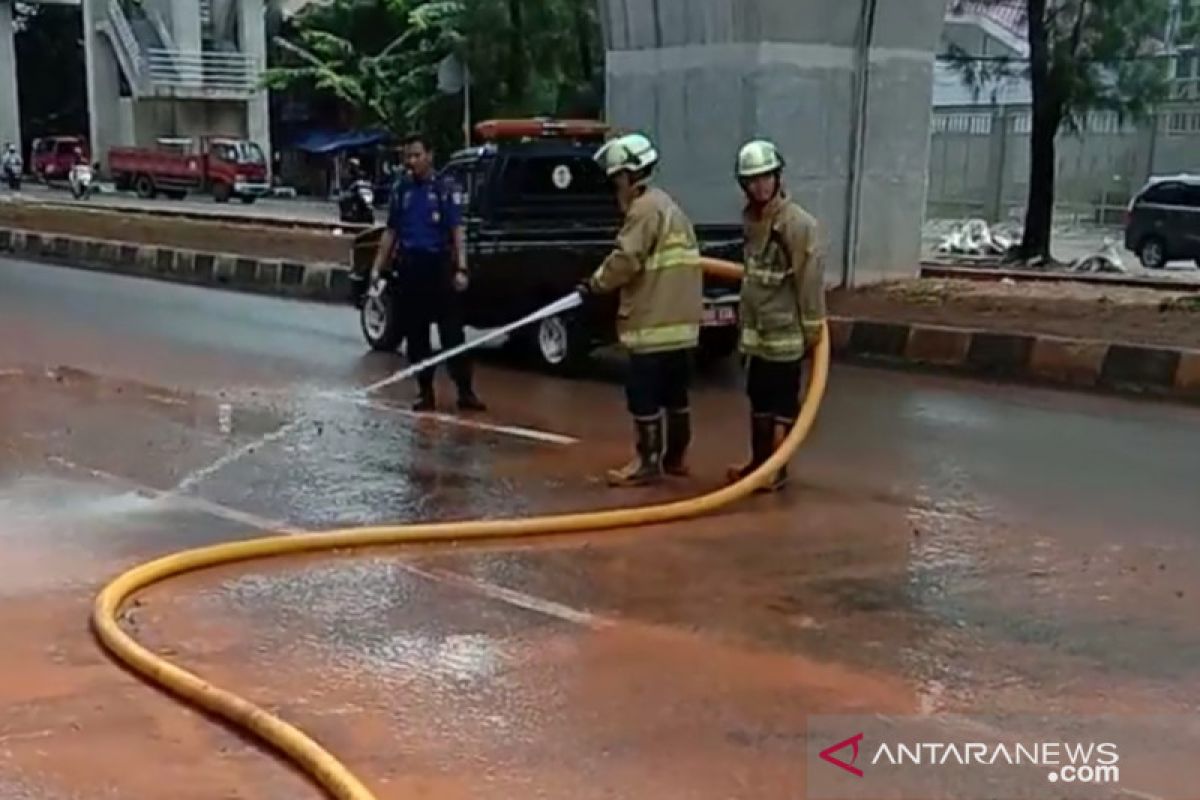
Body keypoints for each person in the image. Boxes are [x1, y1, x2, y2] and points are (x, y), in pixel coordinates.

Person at [577, 133, 703, 487]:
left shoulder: (643, 210)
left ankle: (647, 462)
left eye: (616, 178)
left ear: (630, 176)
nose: (614, 187)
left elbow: (626, 259)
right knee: (676, 395)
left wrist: (595, 284)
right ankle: (675, 458)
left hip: (653, 323)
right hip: (681, 326)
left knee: (644, 396)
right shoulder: (670, 207)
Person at [727, 139, 827, 492]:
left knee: (783, 405)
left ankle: (777, 469)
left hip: (785, 333)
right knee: (759, 402)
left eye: (765, 177)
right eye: (752, 180)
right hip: (758, 334)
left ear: (777, 177)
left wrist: (813, 329)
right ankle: (759, 465)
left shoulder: (797, 225)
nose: (759, 186)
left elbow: (809, 280)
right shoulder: (752, 222)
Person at [370, 133, 486, 412]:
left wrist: (461, 267)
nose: (412, 161)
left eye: (417, 155)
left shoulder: (445, 188)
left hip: (439, 268)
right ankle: (425, 392)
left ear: (430, 156)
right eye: (408, 156)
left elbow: (457, 231)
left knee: (452, 334)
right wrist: (377, 267)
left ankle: (465, 391)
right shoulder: (402, 190)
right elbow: (391, 231)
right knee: (416, 335)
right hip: (411, 268)